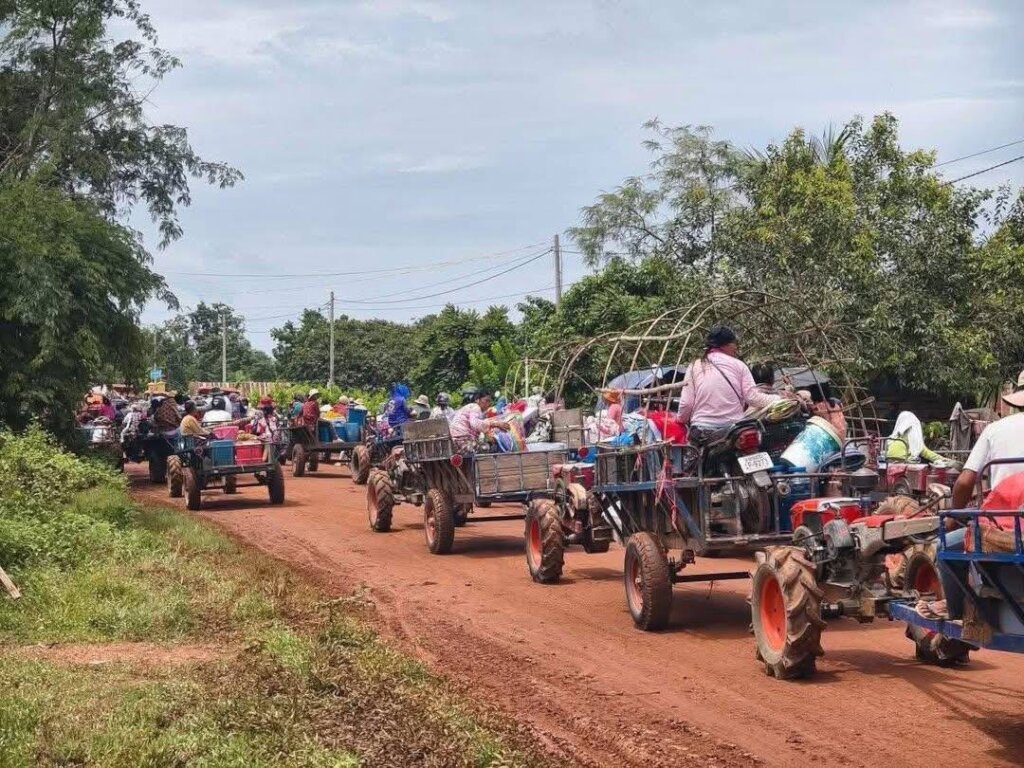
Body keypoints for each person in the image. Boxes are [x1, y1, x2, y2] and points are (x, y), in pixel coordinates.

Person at [676, 325, 782, 440]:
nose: (736, 348)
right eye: (734, 343)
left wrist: (680, 419)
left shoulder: (695, 366)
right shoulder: (739, 365)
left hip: (704, 429)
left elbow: (686, 403)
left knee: (692, 455)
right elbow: (752, 397)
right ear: (726, 345)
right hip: (736, 430)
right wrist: (779, 399)